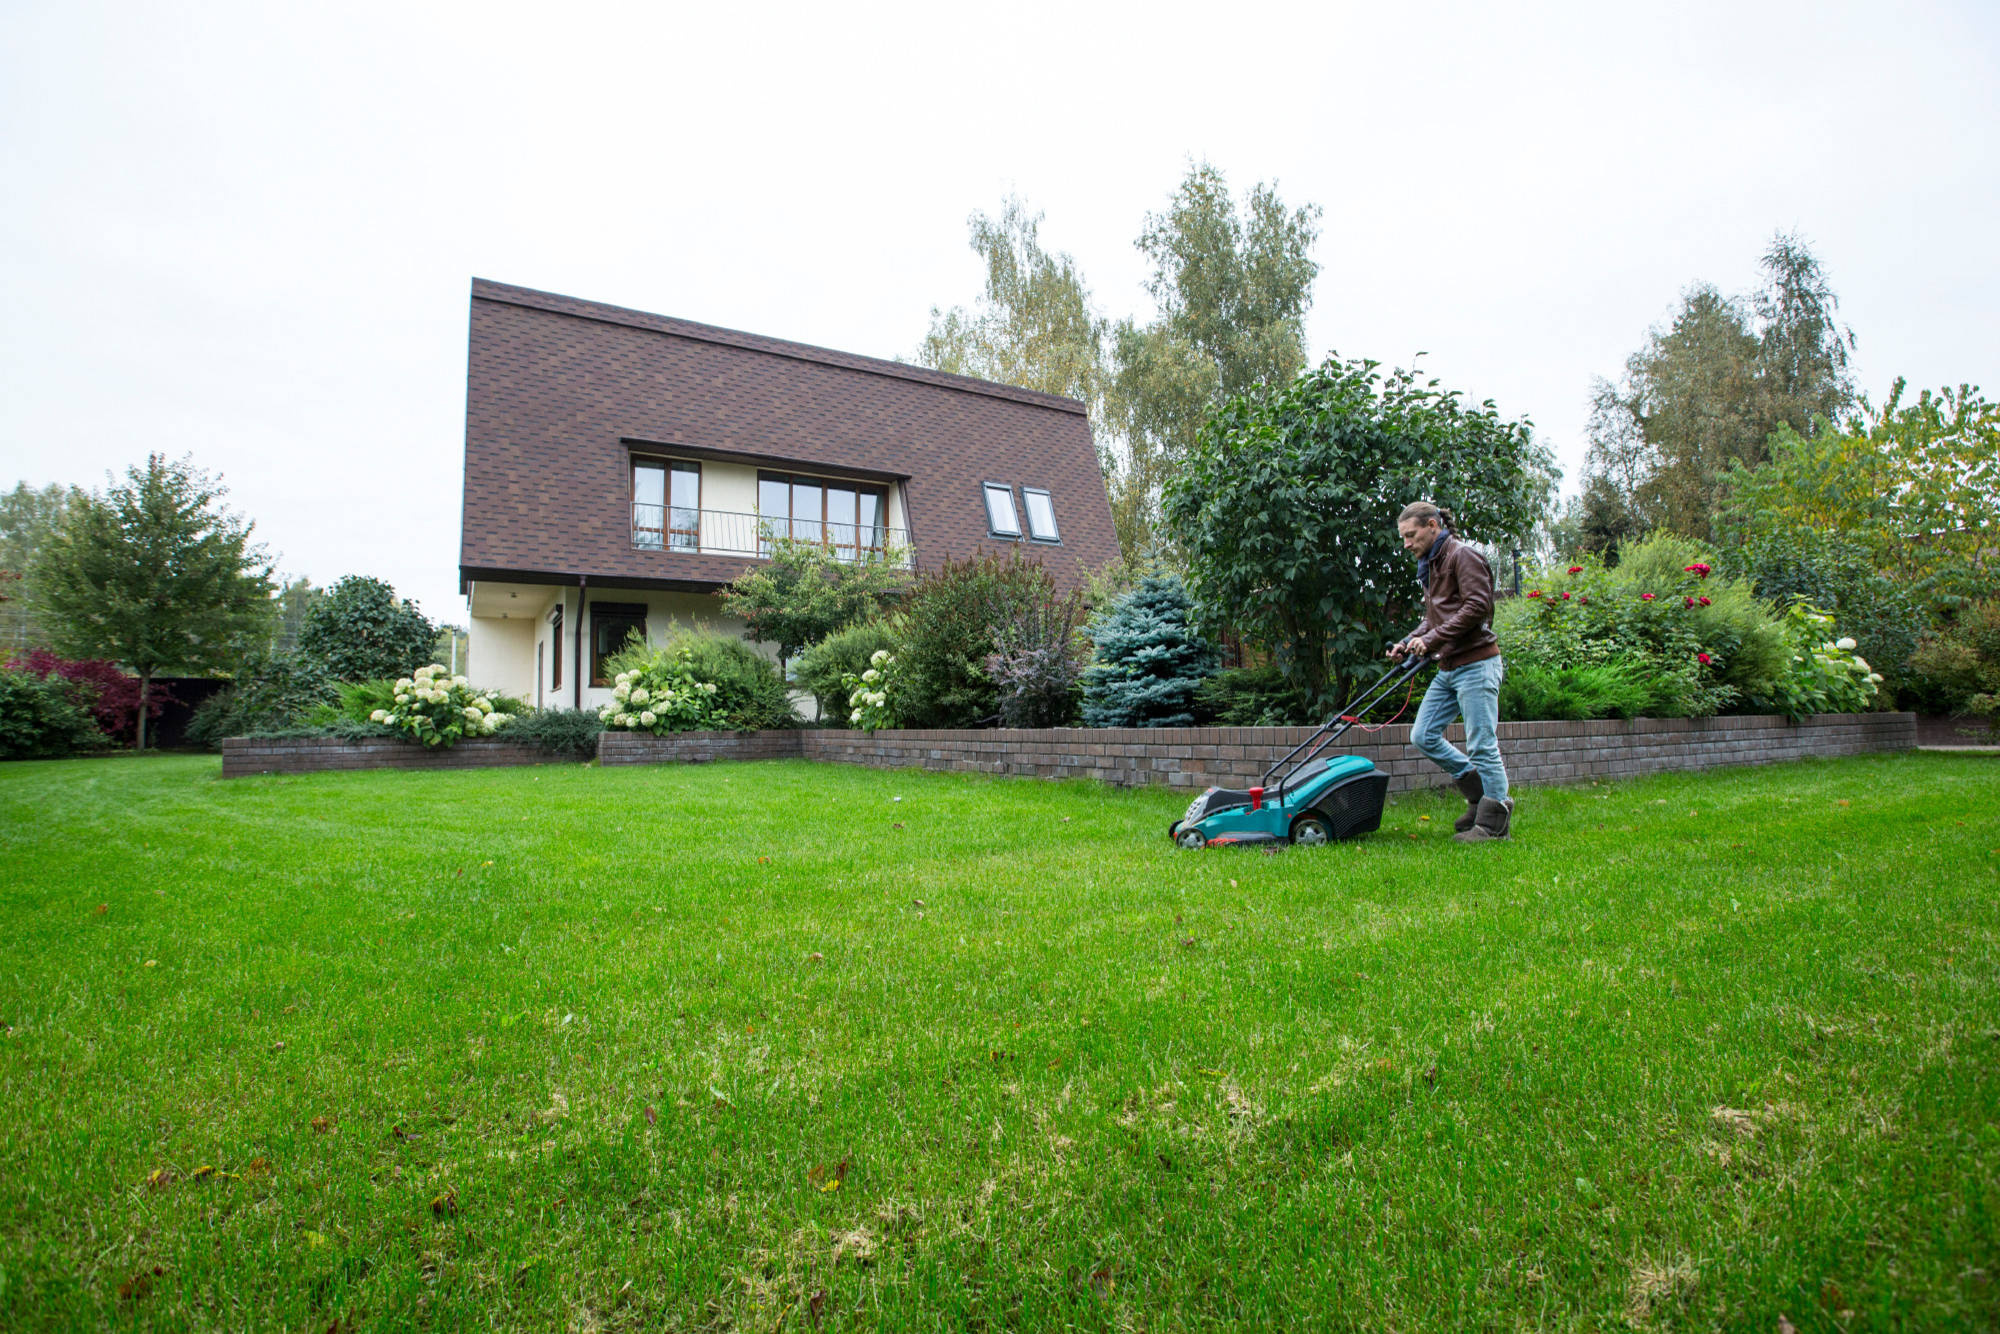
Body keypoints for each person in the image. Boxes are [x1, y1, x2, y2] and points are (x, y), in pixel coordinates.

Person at [1386, 500, 1512, 842]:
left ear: (1432, 525)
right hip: (1450, 665)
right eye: (1403, 537)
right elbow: (1435, 619)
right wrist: (1407, 642)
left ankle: (1494, 824)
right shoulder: (1432, 564)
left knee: (1482, 745)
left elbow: (1477, 607)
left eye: (1411, 535)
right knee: (1423, 735)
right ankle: (1479, 797)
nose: (1406, 544)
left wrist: (1431, 640)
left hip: (1476, 663)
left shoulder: (1462, 556)